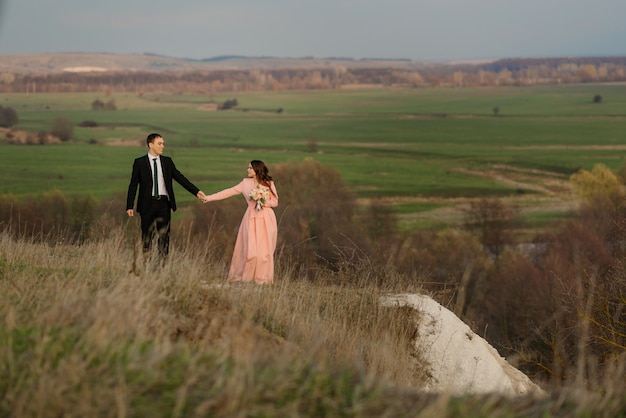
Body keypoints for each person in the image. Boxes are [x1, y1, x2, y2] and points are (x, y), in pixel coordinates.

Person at [126, 133, 205, 259]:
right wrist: (129, 205)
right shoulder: (139, 163)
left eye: (163, 143)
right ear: (150, 145)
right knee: (147, 237)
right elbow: (133, 185)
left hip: (164, 204)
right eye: (159, 143)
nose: (163, 146)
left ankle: (162, 267)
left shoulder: (167, 162)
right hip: (147, 205)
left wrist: (196, 191)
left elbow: (180, 178)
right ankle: (146, 265)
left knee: (164, 237)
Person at [203, 160, 278, 284]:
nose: (247, 170)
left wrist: (264, 202)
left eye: (250, 168)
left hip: (266, 218)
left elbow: (275, 201)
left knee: (264, 252)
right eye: (248, 168)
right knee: (250, 251)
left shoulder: (268, 183)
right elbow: (228, 192)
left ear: (256, 169)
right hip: (251, 218)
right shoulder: (245, 183)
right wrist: (208, 198)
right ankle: (245, 278)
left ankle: (262, 280)